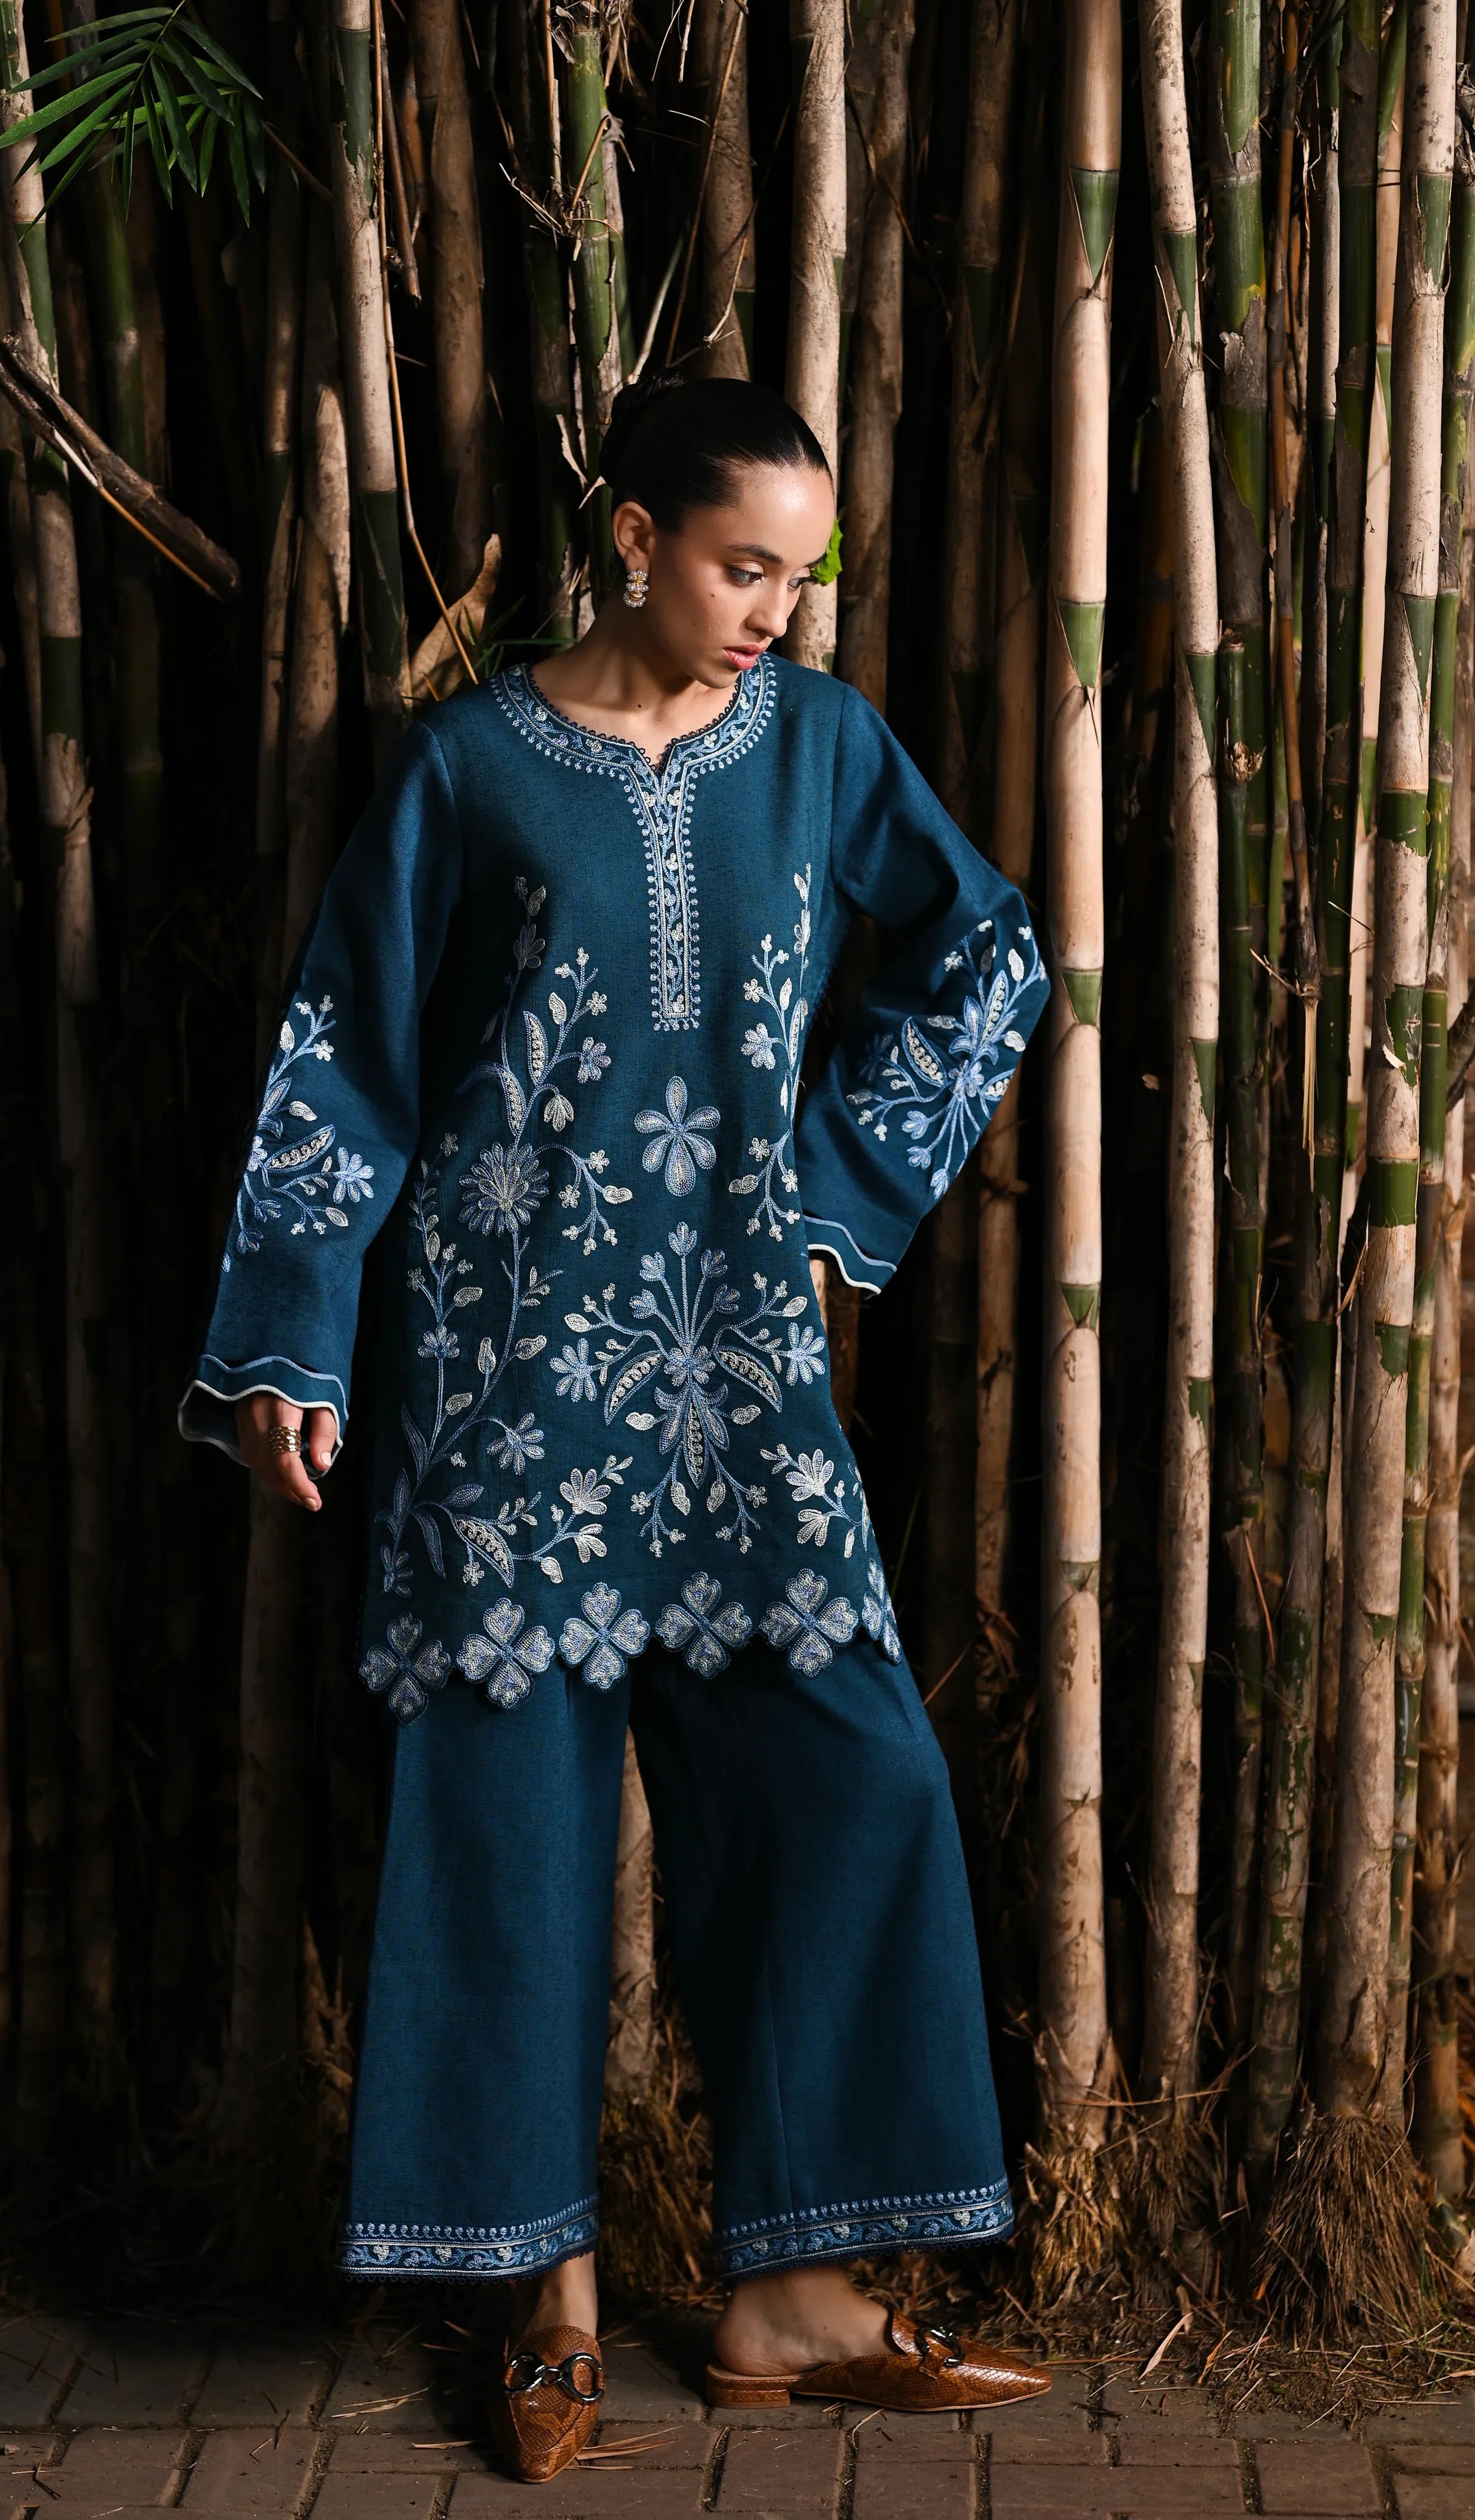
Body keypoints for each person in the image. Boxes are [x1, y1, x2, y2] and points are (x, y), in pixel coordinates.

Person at [180, 371, 1052, 2482]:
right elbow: (344, 1065)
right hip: (503, 1381)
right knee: (513, 1827)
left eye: (798, 578)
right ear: (637, 537)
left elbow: (991, 954)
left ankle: (792, 2299)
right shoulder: (468, 769)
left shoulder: (822, 747)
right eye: (744, 566)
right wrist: (295, 1344)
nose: (774, 611)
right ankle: (544, 2303)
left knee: (855, 1777)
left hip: (740, 1377)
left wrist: (841, 1197)